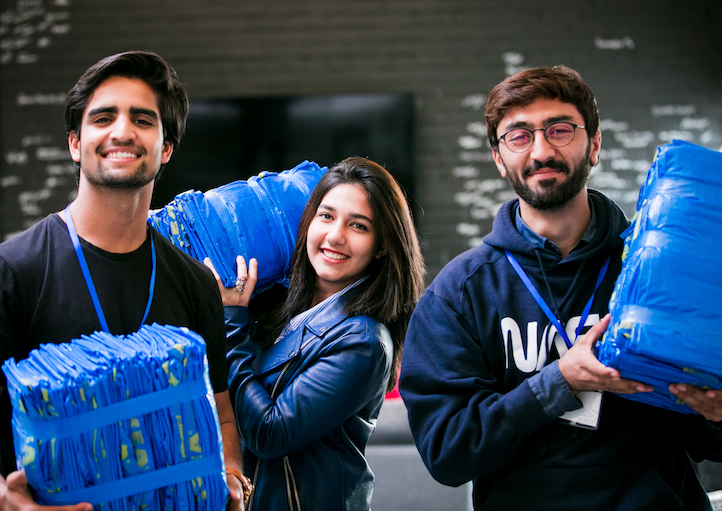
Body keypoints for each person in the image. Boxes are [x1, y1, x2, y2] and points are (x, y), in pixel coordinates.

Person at [399, 65, 722, 510]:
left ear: (594, 144)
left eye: (560, 129)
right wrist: (558, 381)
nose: (541, 150)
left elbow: (709, 439)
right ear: (498, 157)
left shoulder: (658, 271)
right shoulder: (459, 293)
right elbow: (448, 454)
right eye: (519, 135)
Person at [0, 51, 246, 511]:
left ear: (165, 148)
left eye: (143, 120)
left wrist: (231, 477)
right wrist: (4, 502)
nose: (122, 131)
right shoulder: (7, 274)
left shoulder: (194, 283)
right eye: (104, 117)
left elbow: (222, 416)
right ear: (75, 143)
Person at [205, 157, 425, 511]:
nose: (335, 235)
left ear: (382, 245)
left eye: (359, 225)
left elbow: (269, 433)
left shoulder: (364, 341)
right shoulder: (275, 305)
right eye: (326, 216)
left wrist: (232, 323)